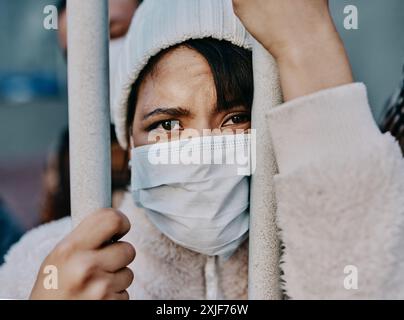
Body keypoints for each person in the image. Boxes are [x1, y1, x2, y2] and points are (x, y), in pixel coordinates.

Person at [1, 0, 404, 300]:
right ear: (128, 137)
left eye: (234, 119)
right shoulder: (43, 265)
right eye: (168, 125)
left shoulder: (325, 248)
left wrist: (308, 45)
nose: (201, 151)